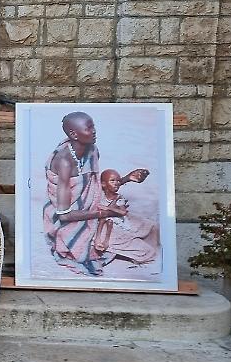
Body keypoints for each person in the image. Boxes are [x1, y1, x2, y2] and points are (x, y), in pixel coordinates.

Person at [42, 111, 155, 276]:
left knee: (149, 228)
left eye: (93, 126)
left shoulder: (92, 150)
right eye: (89, 128)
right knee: (145, 251)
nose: (94, 131)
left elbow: (93, 188)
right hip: (72, 223)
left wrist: (126, 179)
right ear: (73, 134)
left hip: (94, 209)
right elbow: (64, 215)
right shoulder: (64, 162)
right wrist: (108, 213)